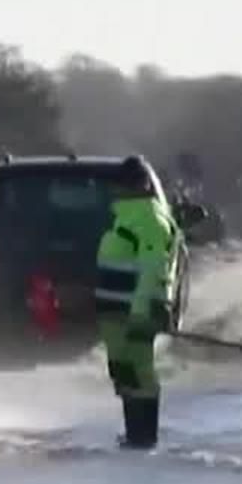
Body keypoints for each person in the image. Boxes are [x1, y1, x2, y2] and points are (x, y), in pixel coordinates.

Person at [94, 156, 181, 450]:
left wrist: (141, 312)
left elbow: (153, 267)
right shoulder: (128, 216)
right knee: (123, 370)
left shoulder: (150, 219)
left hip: (133, 311)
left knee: (140, 371)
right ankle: (134, 434)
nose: (118, 191)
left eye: (124, 185)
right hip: (116, 311)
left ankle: (144, 437)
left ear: (140, 185)